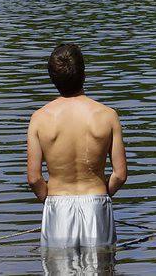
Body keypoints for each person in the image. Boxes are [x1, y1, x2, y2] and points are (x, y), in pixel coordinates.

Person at [27, 43, 126, 254]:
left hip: (58, 205)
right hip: (96, 204)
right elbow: (120, 174)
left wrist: (51, 199)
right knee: (102, 268)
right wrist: (103, 195)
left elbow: (34, 178)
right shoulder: (107, 116)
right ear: (84, 73)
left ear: (52, 78)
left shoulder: (39, 119)